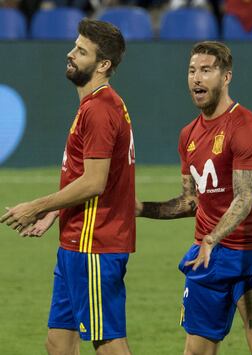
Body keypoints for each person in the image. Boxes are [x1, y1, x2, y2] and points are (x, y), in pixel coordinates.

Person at [136, 41, 252, 355]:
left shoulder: (246, 127)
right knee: (196, 351)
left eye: (206, 70)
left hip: (250, 253)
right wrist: (139, 208)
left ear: (226, 76)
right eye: (192, 71)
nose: (196, 78)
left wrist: (212, 237)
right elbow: (191, 201)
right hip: (206, 255)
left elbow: (244, 198)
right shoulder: (188, 134)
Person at [0, 19, 135, 355]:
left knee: (107, 342)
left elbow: (94, 182)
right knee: (58, 342)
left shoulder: (100, 110)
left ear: (103, 65)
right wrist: (57, 213)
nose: (70, 54)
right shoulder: (94, 105)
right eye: (75, 46)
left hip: (95, 243)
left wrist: (36, 207)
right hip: (77, 240)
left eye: (81, 51)